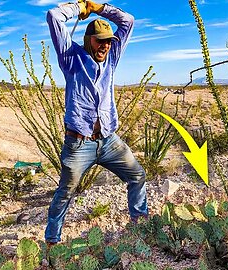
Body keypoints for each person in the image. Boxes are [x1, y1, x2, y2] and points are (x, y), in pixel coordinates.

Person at [45, 0, 148, 245]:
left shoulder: (112, 58)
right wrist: (77, 8)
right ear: (88, 39)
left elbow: (128, 21)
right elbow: (53, 16)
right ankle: (52, 241)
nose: (104, 45)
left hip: (109, 140)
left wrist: (98, 7)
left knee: (137, 176)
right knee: (66, 192)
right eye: (100, 40)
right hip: (79, 143)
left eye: (108, 41)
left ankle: (141, 228)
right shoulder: (71, 58)